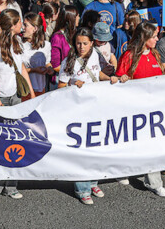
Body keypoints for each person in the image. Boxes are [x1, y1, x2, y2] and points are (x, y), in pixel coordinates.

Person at [116, 21, 165, 196]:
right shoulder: (128, 56)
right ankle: (122, 170)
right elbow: (119, 78)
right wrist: (122, 80)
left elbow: (159, 79)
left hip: (153, 109)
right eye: (154, 36)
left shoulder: (155, 55)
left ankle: (154, 182)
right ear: (144, 38)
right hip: (133, 109)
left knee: (153, 145)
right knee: (130, 142)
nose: (157, 38)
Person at [57, 26, 119, 203]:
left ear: (92, 43)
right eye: (78, 43)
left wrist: (109, 78)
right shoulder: (68, 61)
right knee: (83, 149)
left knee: (96, 147)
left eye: (85, 43)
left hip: (95, 108)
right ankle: (82, 188)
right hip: (77, 111)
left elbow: (96, 73)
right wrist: (71, 82)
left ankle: (93, 181)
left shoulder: (94, 55)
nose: (81, 47)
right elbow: (60, 87)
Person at [0, 9, 34, 203]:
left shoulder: (17, 43)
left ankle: (10, 185)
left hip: (14, 97)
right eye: (19, 22)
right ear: (12, 26)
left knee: (15, 141)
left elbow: (21, 69)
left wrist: (31, 95)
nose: (22, 25)